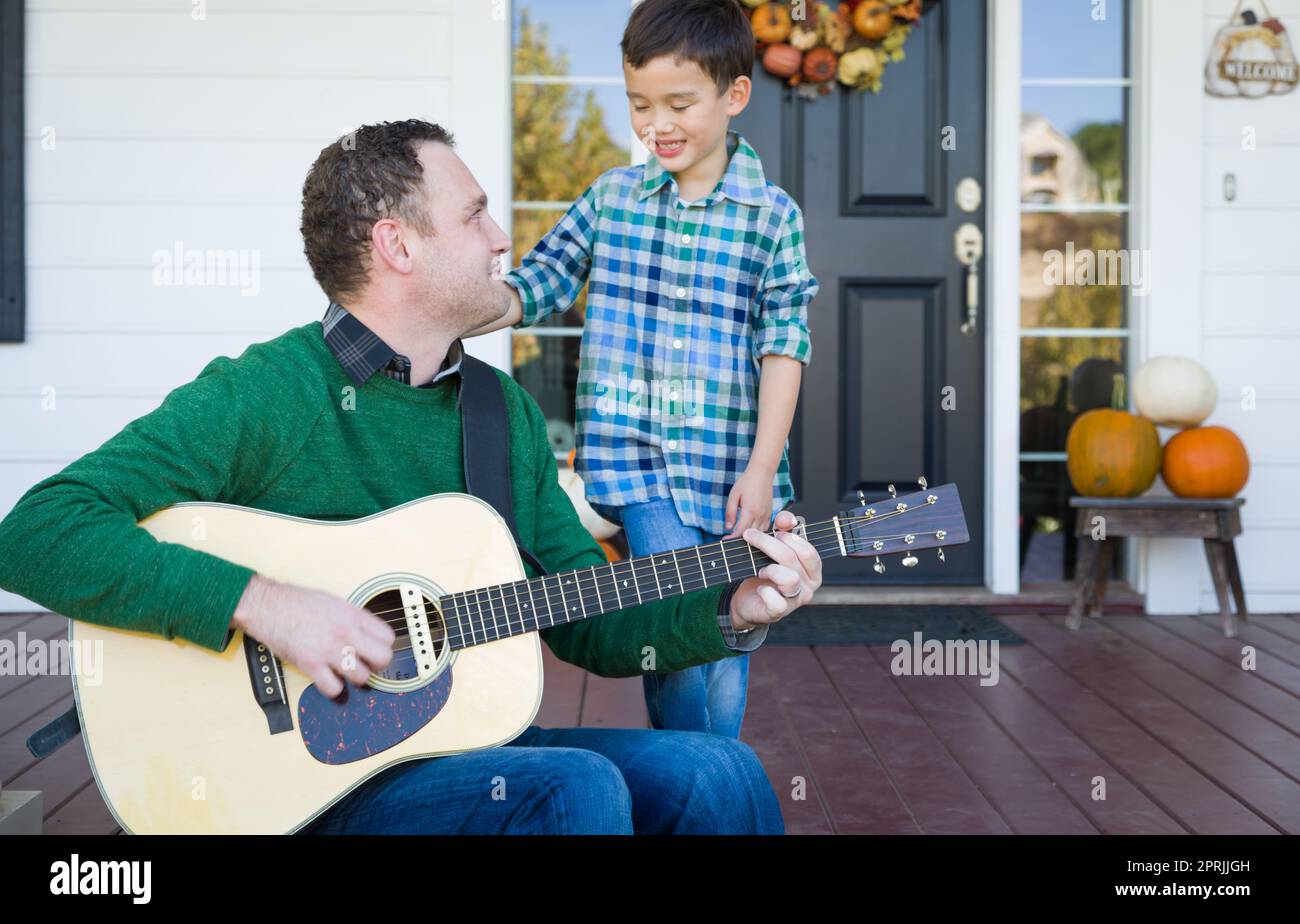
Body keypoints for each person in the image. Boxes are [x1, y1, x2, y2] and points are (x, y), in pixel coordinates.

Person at [0, 119, 823, 834]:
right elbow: (36, 532)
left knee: (721, 771)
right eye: (474, 216)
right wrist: (266, 605)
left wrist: (732, 606)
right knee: (574, 788)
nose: (503, 237)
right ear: (398, 244)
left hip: (456, 746)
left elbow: (585, 618)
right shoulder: (267, 392)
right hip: (295, 787)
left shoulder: (500, 414)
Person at [468, 0, 819, 739]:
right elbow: (540, 280)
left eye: (678, 103)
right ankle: (694, 773)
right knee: (675, 630)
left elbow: (784, 343)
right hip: (640, 469)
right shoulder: (613, 199)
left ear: (735, 95)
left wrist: (763, 467)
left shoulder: (773, 218)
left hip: (732, 470)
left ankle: (702, 776)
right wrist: (464, 307)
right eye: (639, 103)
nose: (655, 124)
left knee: (726, 647)